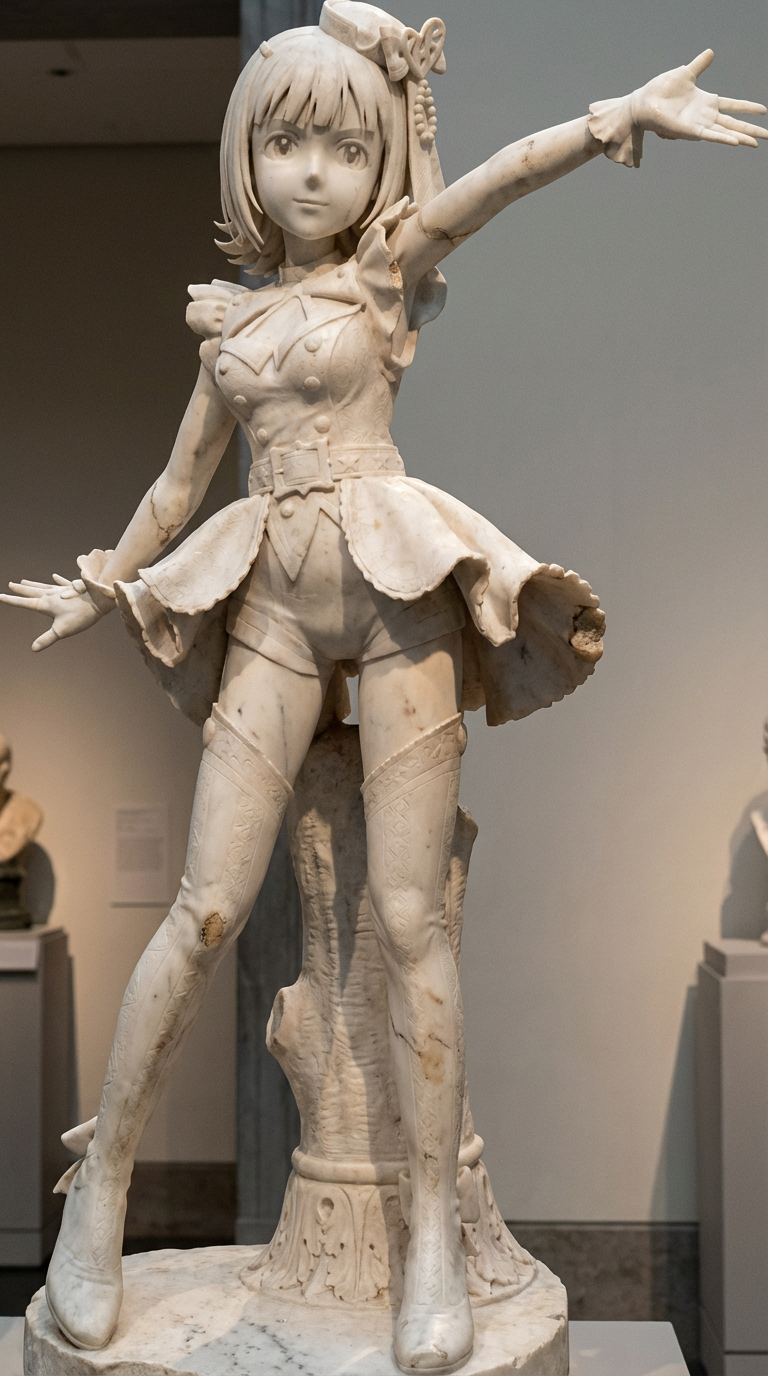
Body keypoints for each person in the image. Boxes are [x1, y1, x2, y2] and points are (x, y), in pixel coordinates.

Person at [2, 3, 764, 1369]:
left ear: (375, 166)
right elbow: (177, 489)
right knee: (206, 908)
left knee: (413, 922)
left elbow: (495, 181)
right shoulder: (229, 328)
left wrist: (615, 121)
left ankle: (430, 1246)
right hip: (275, 617)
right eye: (287, 143)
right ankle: (98, 1196)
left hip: (398, 602)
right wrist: (105, 583)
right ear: (248, 154)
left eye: (346, 149)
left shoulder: (383, 273)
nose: (315, 171)